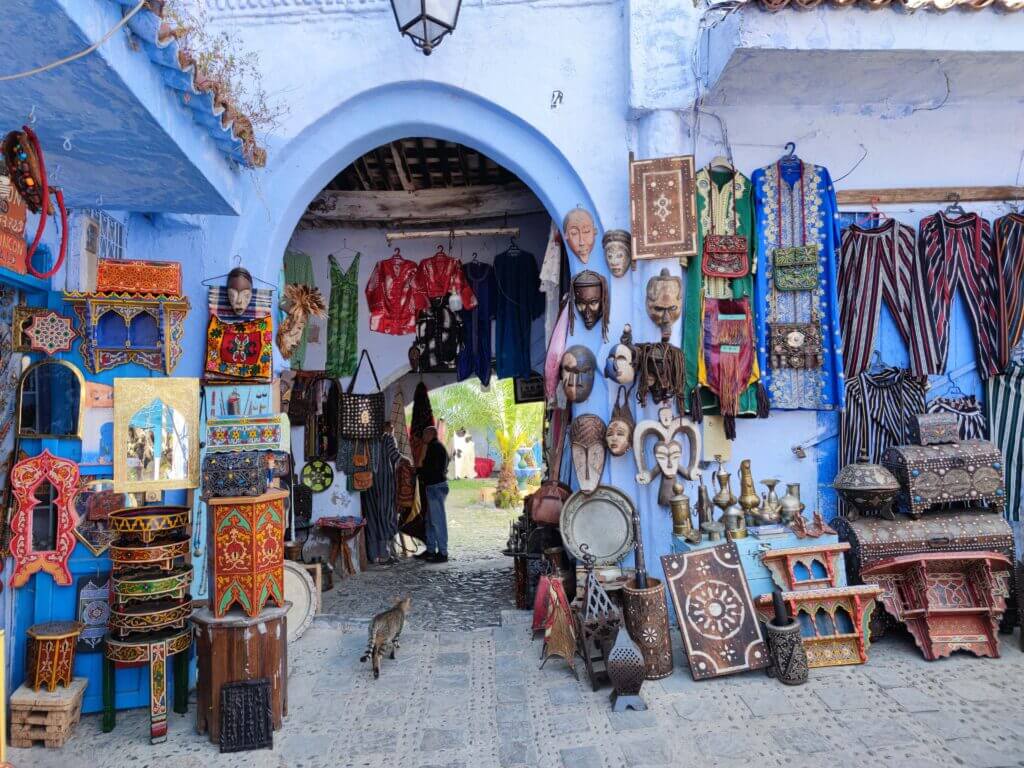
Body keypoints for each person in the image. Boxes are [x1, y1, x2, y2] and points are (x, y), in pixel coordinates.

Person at [416, 425, 450, 563]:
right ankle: (430, 550)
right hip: (435, 486)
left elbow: (432, 468)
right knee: (430, 521)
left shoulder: (434, 448)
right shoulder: (437, 447)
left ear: (430, 434)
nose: (423, 438)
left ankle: (443, 552)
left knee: (437, 521)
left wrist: (420, 472)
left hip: (436, 487)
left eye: (424, 435)